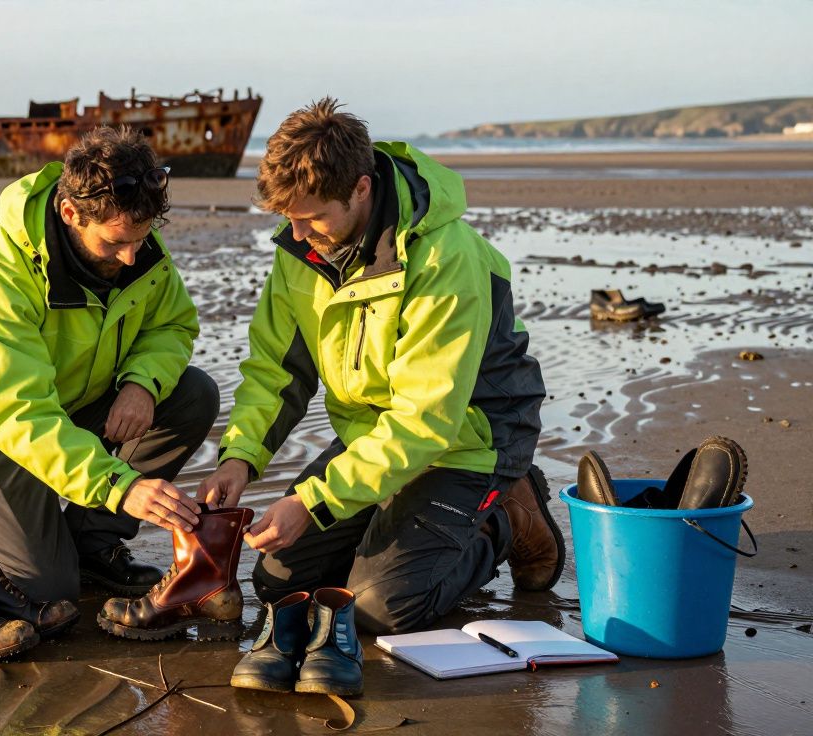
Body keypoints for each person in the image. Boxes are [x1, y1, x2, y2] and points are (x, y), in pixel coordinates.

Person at [198, 98, 562, 634]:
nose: (296, 236)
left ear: (361, 189)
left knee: (378, 607)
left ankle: (510, 518)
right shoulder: (302, 247)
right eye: (287, 219)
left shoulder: (446, 258)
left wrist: (315, 500)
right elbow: (277, 369)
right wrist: (240, 458)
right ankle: (393, 524)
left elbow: (425, 422)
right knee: (279, 585)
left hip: (468, 442)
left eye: (312, 217)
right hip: (372, 438)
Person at [0, 127, 213, 603]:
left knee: (192, 395)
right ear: (70, 212)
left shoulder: (136, 245)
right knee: (45, 592)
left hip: (66, 408)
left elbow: (172, 326)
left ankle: (93, 542)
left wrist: (142, 385)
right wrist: (118, 486)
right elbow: (17, 413)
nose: (131, 257)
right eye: (113, 244)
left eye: (142, 237)